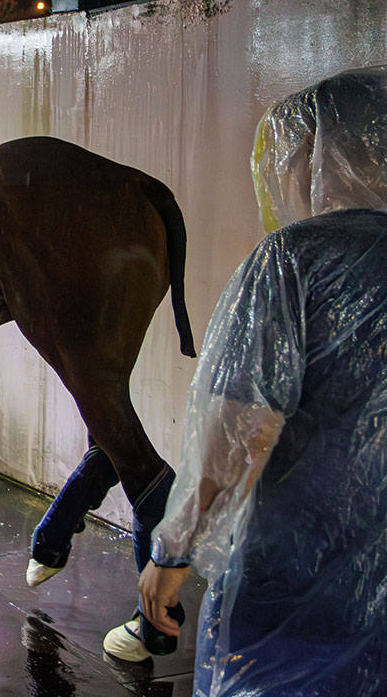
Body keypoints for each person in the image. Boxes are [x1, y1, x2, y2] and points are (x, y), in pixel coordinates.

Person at [106, 69, 387, 695]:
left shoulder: (291, 261)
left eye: (293, 156)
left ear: (323, 158)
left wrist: (171, 552)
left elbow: (239, 430)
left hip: (291, 581)